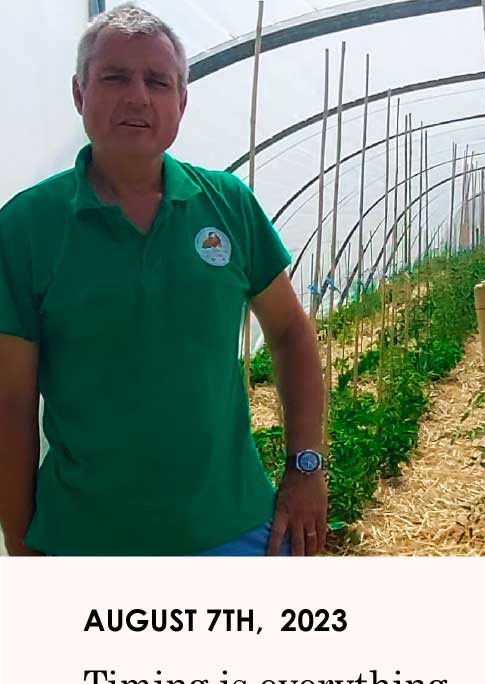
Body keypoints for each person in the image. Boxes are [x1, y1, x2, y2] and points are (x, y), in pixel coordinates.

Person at [0, 3, 327, 557]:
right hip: (86, 541)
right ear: (79, 94)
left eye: (158, 81)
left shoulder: (227, 205)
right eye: (115, 77)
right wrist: (21, 539)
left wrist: (306, 467)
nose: (137, 97)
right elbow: (11, 400)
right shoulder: (27, 226)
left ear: (182, 101)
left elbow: (292, 334)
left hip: (235, 530)